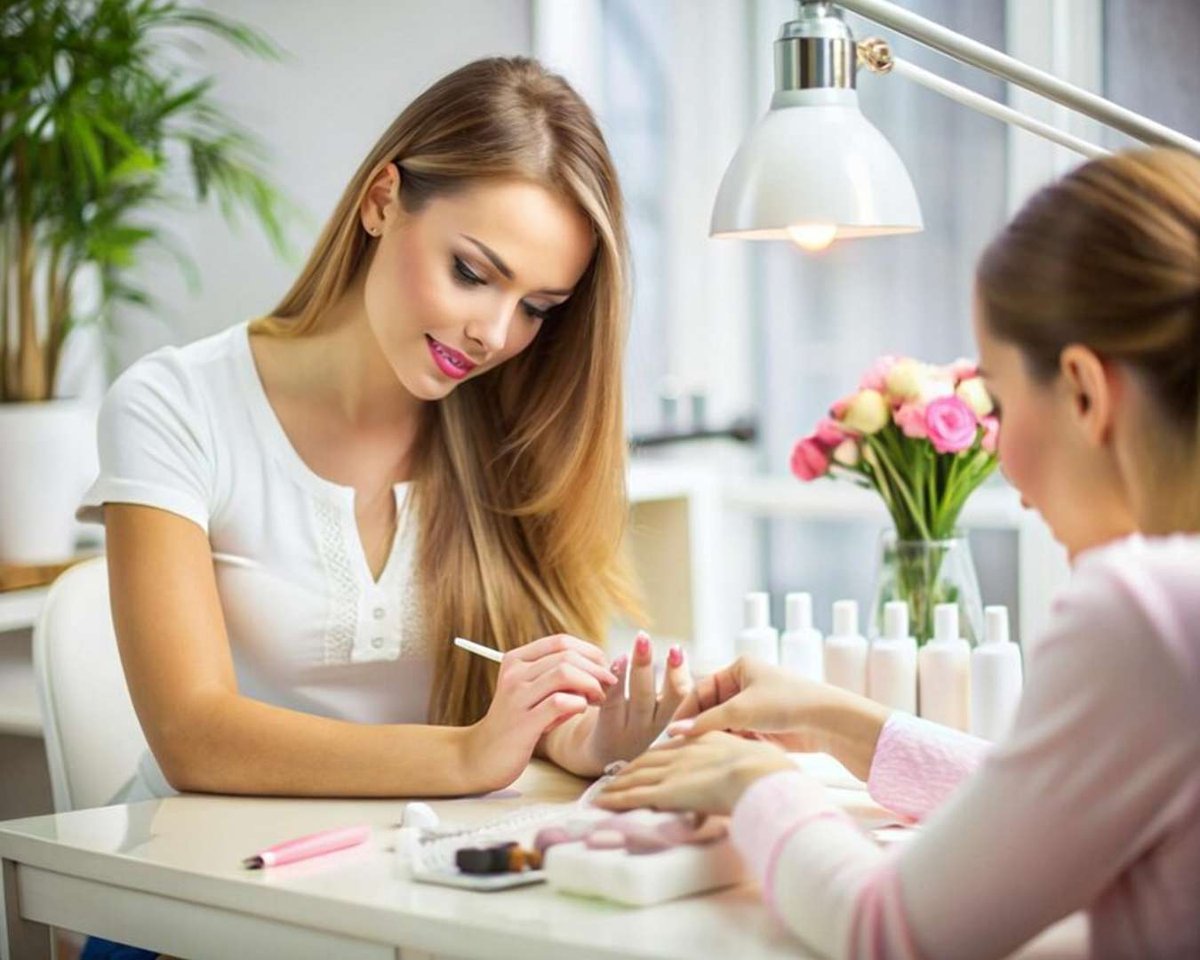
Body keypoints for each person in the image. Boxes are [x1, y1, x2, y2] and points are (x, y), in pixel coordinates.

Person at [599, 147, 1200, 959]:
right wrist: (832, 718)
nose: (1010, 474)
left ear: (1086, 393)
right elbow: (1058, 798)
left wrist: (755, 786)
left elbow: (891, 933)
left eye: (998, 399)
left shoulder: (1147, 609)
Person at [79, 55, 692, 812]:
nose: (494, 334)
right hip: (194, 891)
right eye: (471, 272)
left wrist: (592, 735)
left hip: (403, 883)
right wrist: (468, 754)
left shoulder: (515, 425)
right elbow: (191, 736)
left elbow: (523, 708)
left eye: (537, 307)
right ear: (381, 201)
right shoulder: (175, 405)